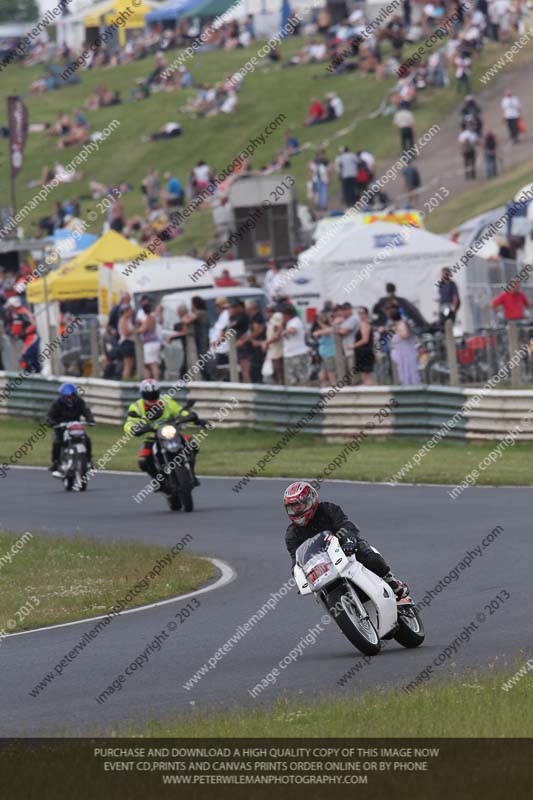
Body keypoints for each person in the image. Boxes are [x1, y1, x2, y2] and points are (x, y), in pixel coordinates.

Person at [283, 481, 410, 600]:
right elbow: (297, 561)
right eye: (292, 507)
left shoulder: (328, 509)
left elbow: (346, 526)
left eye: (299, 505)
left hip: (345, 548)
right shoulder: (292, 534)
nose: (296, 510)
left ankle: (391, 581)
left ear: (311, 500)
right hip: (323, 567)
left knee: (368, 556)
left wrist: (349, 541)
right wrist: (299, 578)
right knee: (321, 595)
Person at [124, 379, 206, 487]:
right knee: (143, 460)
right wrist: (134, 429)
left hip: (171, 433)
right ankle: (157, 480)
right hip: (151, 437)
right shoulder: (136, 407)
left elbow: (180, 411)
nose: (151, 398)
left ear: (158, 392)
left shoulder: (166, 401)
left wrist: (191, 418)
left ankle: (192, 473)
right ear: (142, 395)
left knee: (192, 444)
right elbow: (129, 422)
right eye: (148, 395)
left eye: (154, 395)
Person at [47, 383, 95, 476]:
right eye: (67, 397)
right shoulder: (57, 403)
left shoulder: (79, 402)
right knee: (57, 442)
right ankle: (56, 463)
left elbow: (85, 411)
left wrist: (90, 420)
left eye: (72, 396)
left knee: (87, 439)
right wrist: (52, 423)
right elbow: (50, 416)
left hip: (75, 426)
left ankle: (88, 460)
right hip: (61, 427)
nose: (70, 398)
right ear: (62, 396)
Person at [4, 297, 40, 373]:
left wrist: (10, 332)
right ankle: (37, 373)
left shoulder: (18, 314)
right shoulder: (24, 311)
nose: (10, 309)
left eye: (10, 307)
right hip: (32, 337)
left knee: (23, 359)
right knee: (34, 359)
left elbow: (16, 330)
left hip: (31, 338)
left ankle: (29, 375)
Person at [281, 304, 310, 385]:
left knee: (301, 379)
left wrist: (284, 332)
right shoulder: (288, 323)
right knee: (292, 380)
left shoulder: (295, 321)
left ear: (287, 314)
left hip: (297, 354)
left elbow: (293, 330)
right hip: (289, 354)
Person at [390, 310, 421, 385]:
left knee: (411, 375)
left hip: (407, 354)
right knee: (404, 376)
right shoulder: (395, 326)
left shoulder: (402, 324)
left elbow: (405, 334)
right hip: (401, 355)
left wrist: (396, 331)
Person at [136, 296, 161, 380]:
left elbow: (143, 329)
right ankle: (154, 380)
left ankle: (154, 381)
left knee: (152, 365)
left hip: (150, 343)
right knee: (154, 364)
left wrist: (137, 330)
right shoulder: (153, 317)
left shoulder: (148, 318)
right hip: (155, 342)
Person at [349, 306, 375, 384]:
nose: (361, 315)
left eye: (363, 313)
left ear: (367, 314)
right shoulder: (363, 324)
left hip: (365, 352)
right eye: (359, 313)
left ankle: (371, 393)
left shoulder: (365, 324)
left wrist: (353, 345)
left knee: (366, 376)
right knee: (365, 375)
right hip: (362, 352)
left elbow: (365, 339)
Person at [228, 298, 252, 382]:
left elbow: (232, 325)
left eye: (234, 307)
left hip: (244, 345)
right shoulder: (233, 316)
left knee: (245, 370)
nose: (233, 309)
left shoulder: (243, 316)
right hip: (236, 346)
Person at [312, 312, 337, 387]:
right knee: (323, 372)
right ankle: (323, 387)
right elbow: (315, 334)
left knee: (330, 371)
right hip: (324, 355)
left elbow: (329, 331)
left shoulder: (329, 329)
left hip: (329, 354)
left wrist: (320, 324)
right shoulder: (321, 330)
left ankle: (334, 385)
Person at [263, 304, 284, 384]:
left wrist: (267, 343)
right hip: (274, 350)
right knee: (277, 372)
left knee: (279, 372)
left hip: (278, 350)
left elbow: (277, 334)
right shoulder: (273, 319)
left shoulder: (276, 318)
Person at [118, 306, 136, 379]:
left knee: (130, 363)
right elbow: (125, 332)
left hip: (130, 342)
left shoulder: (128, 320)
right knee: (128, 364)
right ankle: (126, 378)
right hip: (127, 343)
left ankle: (127, 377)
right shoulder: (123, 320)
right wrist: (134, 330)